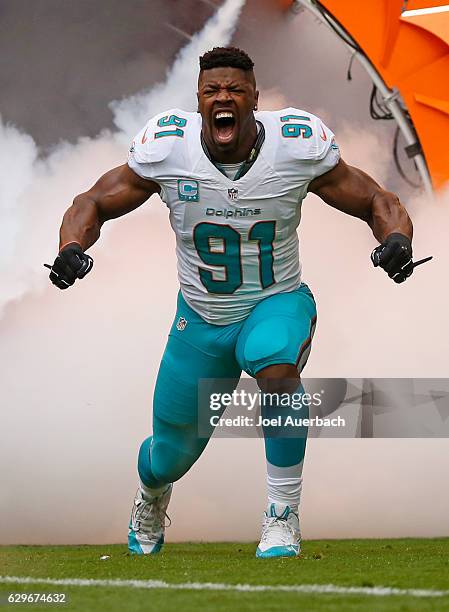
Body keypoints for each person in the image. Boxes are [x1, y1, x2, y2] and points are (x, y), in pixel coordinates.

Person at [49, 46, 414, 558]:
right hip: (200, 321)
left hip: (276, 301)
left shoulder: (295, 145)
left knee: (275, 361)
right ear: (198, 100)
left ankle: (282, 514)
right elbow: (94, 201)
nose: (223, 97)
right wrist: (71, 247)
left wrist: (395, 239)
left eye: (235, 90)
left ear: (254, 99)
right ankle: (153, 495)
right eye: (212, 90)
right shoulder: (168, 149)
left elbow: (377, 200)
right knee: (168, 456)